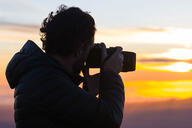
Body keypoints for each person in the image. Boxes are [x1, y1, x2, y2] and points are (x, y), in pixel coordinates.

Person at [6, 5, 125, 128]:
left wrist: (87, 93)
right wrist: (111, 74)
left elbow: (62, 117)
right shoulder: (48, 82)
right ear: (79, 49)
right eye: (90, 48)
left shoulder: (41, 77)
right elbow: (110, 119)